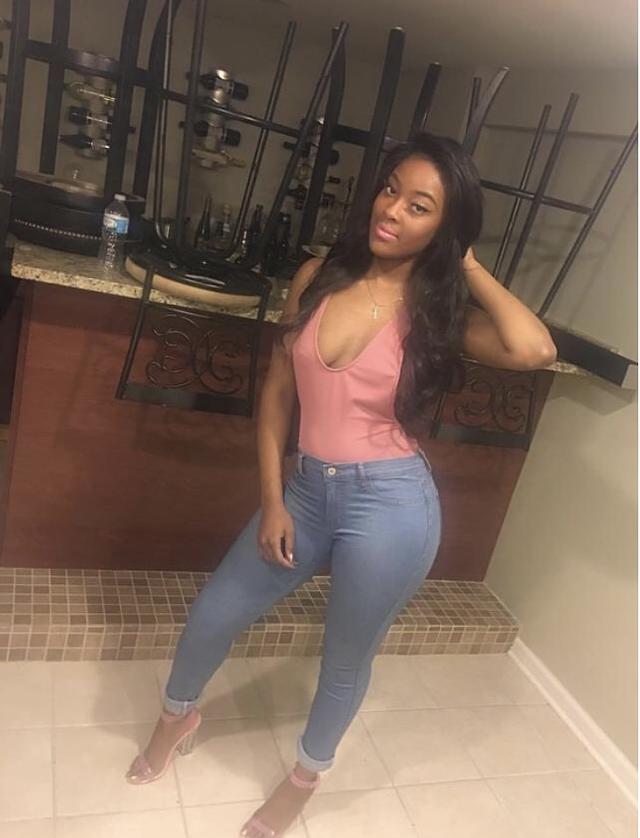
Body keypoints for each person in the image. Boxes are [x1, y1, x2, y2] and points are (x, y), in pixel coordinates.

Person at [125, 133, 557, 837]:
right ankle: (176, 719)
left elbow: (534, 348)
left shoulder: (440, 316)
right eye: (390, 190)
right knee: (213, 613)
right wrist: (273, 498)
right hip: (304, 491)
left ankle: (303, 780)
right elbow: (276, 392)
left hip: (391, 506)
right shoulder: (317, 276)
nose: (392, 210)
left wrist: (467, 261)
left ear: (444, 228)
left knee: (344, 657)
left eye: (420, 206)